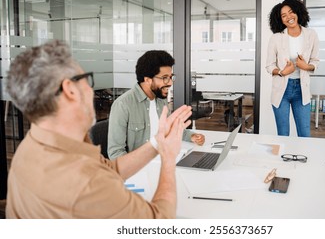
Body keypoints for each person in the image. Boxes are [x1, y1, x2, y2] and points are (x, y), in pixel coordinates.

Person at [5, 40, 192, 218]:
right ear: (70, 90)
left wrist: (158, 143)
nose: (91, 89)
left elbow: (111, 168)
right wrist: (168, 159)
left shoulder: (34, 144)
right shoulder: (85, 182)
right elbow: (159, 222)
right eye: (87, 79)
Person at [107, 50, 205, 159]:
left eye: (171, 77)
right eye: (165, 78)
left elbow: (170, 128)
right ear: (148, 80)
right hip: (140, 168)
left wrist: (191, 136)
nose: (170, 82)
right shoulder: (123, 105)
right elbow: (115, 153)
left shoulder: (160, 100)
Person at [265, 0, 319, 137]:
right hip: (281, 91)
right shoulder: (276, 38)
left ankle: (303, 158)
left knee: (304, 134)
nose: (289, 17)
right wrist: (283, 72)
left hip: (302, 90)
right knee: (283, 134)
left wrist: (306, 66)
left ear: (298, 12)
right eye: (284, 15)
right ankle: (284, 159)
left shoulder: (311, 35)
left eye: (291, 12)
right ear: (280, 20)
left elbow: (315, 60)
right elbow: (269, 66)